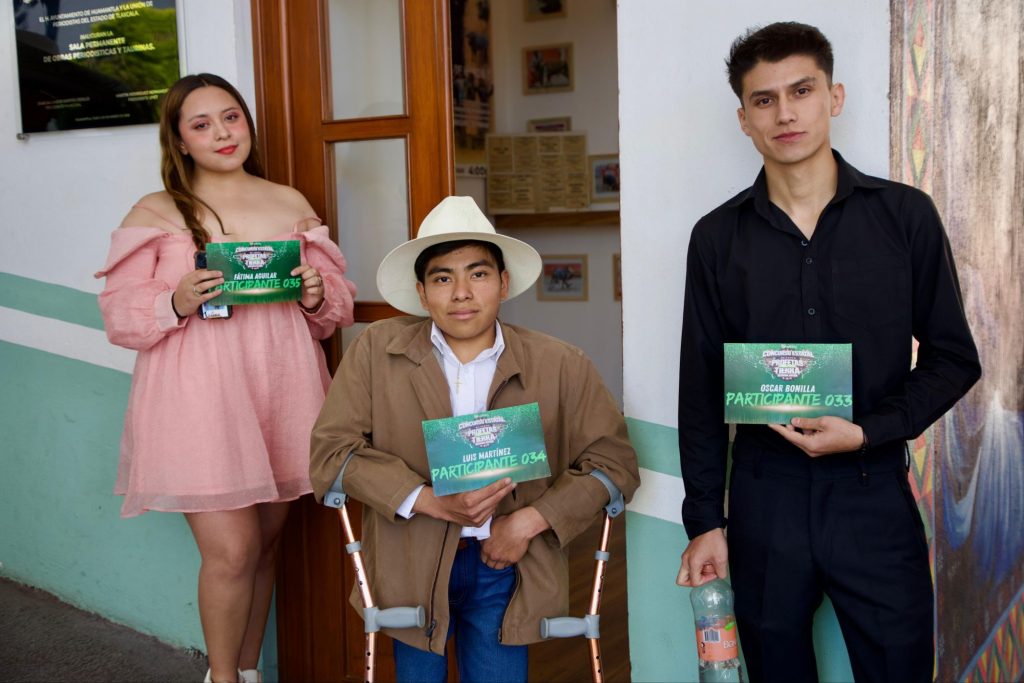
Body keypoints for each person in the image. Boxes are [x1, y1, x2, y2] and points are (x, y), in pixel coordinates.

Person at [675, 22, 980, 683]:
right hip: (763, 498)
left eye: (802, 91)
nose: (785, 113)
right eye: (764, 100)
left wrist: (869, 431)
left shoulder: (905, 217)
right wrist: (704, 520)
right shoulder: (717, 238)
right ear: (744, 119)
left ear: (834, 97)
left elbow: (955, 358)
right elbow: (700, 389)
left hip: (872, 491)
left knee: (899, 669)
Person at [309, 196, 640, 683]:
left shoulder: (560, 363)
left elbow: (614, 464)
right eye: (443, 279)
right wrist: (427, 500)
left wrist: (527, 523)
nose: (461, 293)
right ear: (422, 293)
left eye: (478, 274)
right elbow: (332, 453)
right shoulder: (376, 352)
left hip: (506, 563)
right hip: (411, 559)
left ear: (503, 283)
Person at [95, 73, 357, 683]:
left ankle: (246, 672)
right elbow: (120, 317)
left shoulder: (289, 202)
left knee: (263, 546)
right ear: (180, 140)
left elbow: (333, 313)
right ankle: (221, 677)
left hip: (281, 386)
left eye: (231, 117)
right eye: (202, 124)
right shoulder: (156, 211)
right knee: (232, 551)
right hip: (198, 394)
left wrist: (317, 293)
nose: (221, 133)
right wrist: (176, 299)